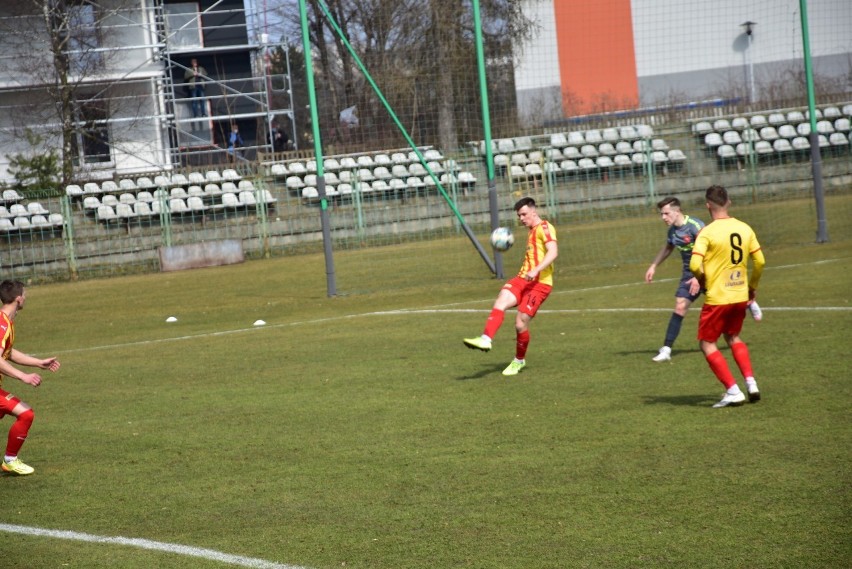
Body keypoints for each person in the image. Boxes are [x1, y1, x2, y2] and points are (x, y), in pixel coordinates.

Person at [689, 185, 765, 408]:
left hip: (718, 298)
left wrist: (702, 279)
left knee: (707, 343)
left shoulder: (707, 232)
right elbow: (760, 262)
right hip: (740, 294)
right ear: (728, 202)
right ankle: (751, 383)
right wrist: (752, 286)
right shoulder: (744, 228)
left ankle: (733, 390)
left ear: (707, 205)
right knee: (732, 337)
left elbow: (695, 264)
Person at [464, 197, 558, 376]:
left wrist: (536, 269)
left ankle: (519, 361)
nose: (521, 218)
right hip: (523, 278)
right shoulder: (531, 231)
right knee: (502, 299)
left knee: (520, 323)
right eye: (519, 216)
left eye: (523, 214)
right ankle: (486, 338)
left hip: (540, 284)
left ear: (533, 211)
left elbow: (553, 252)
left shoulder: (545, 227)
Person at [0, 280, 61, 475]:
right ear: (18, 299)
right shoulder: (2, 324)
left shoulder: (6, 321)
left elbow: (7, 353)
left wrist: (38, 363)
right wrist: (23, 376)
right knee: (26, 414)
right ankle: (10, 460)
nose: (25, 297)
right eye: (24, 294)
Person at [645, 197, 705, 362]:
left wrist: (699, 277)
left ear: (677, 211)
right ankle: (666, 349)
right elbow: (668, 247)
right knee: (680, 307)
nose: (663, 217)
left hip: (708, 271)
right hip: (689, 273)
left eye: (666, 213)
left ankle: (748, 302)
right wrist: (653, 266)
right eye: (662, 214)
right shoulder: (672, 231)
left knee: (727, 302)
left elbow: (711, 252)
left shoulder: (696, 226)